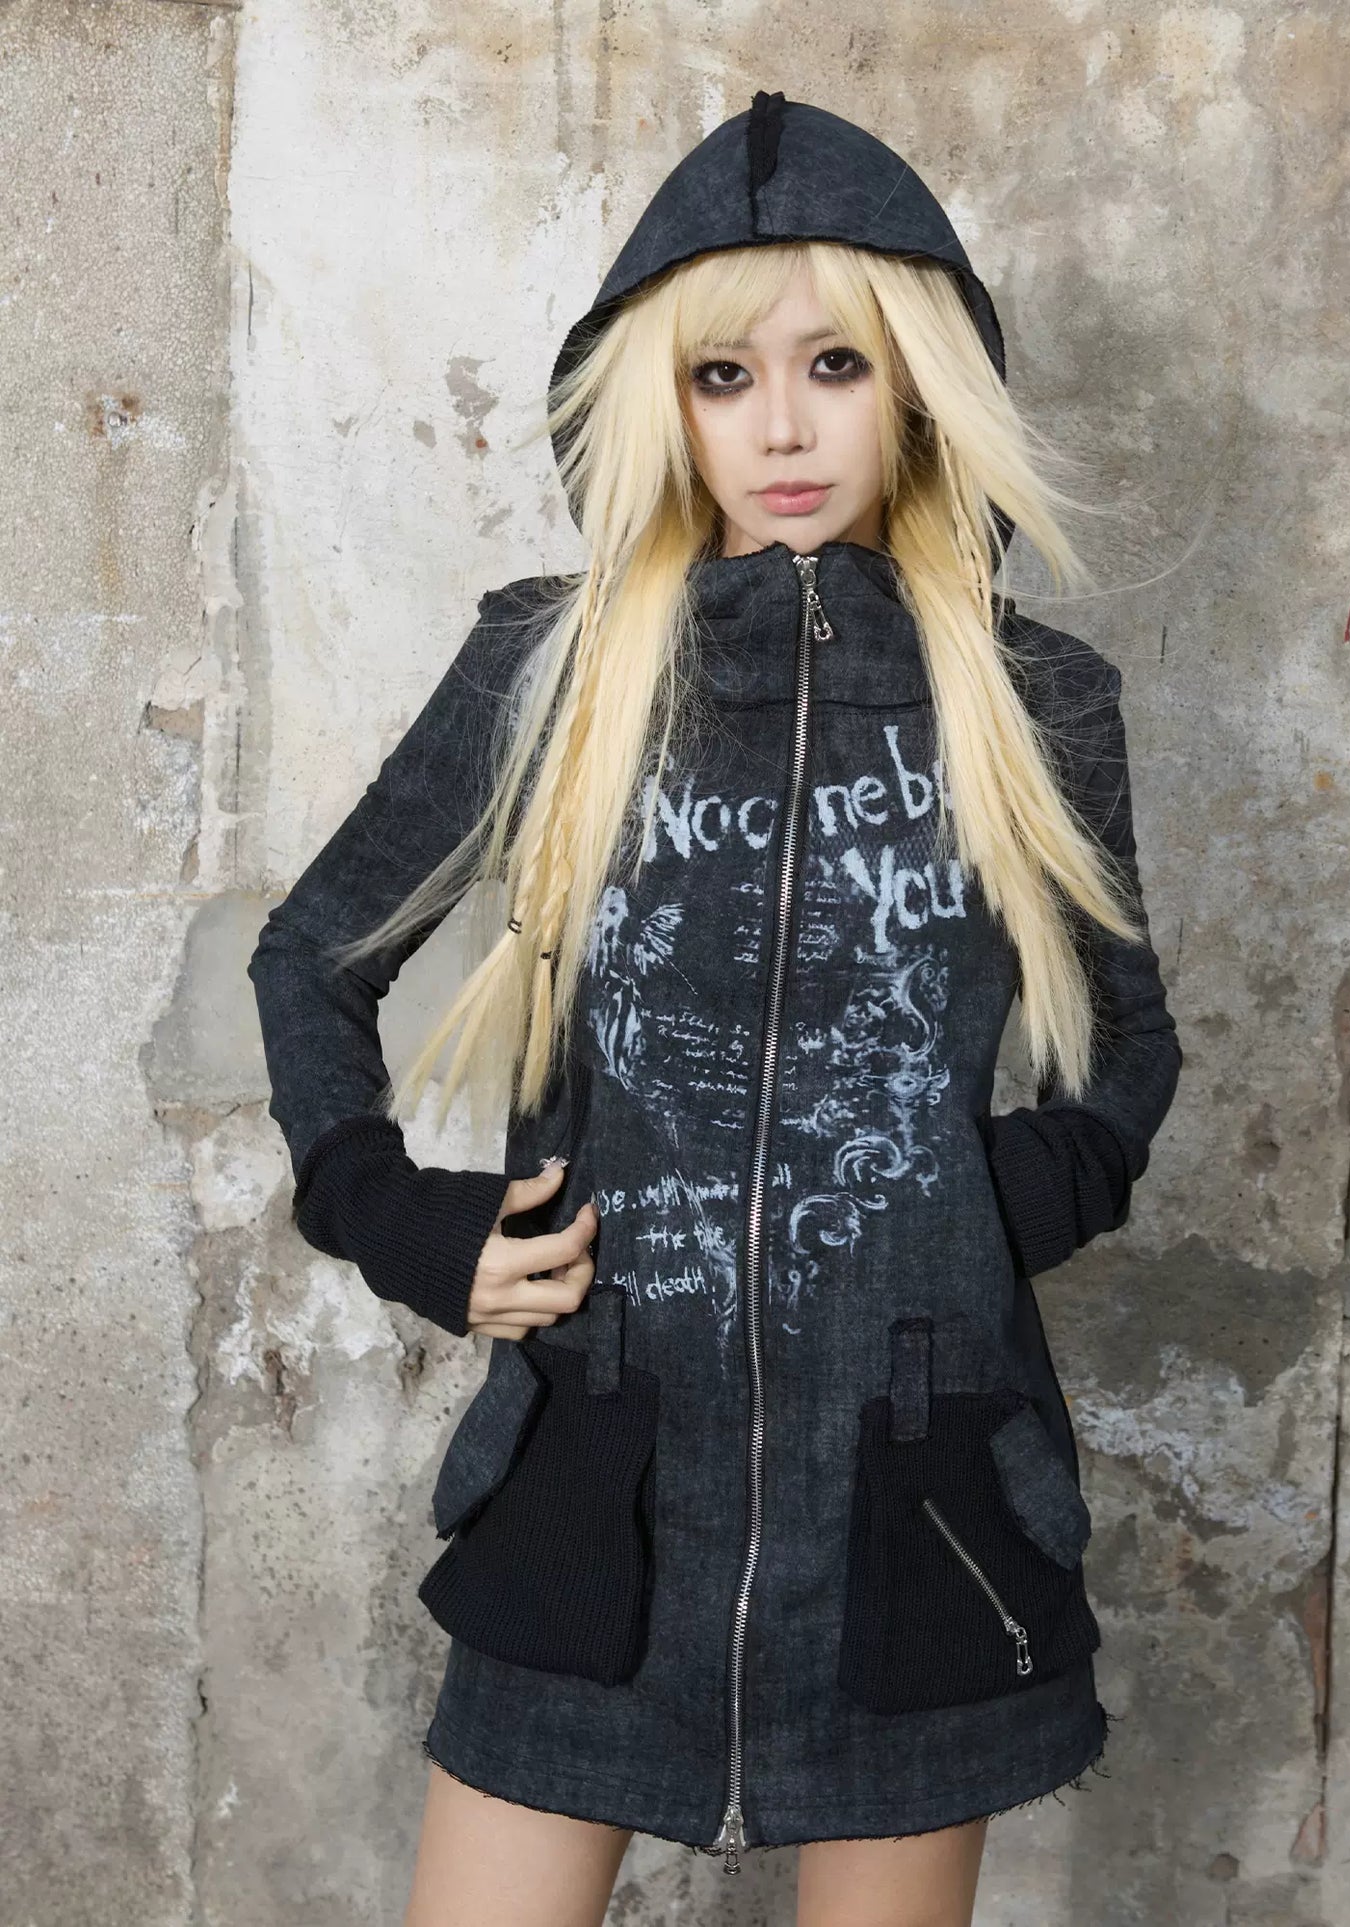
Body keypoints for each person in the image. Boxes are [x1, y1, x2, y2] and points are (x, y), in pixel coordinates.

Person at [248, 90, 1183, 1927]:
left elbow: (1129, 1044)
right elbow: (314, 955)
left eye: (834, 364)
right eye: (719, 377)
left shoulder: (1032, 700)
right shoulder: (550, 666)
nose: (780, 427)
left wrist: (993, 1206)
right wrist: (401, 1219)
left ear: (918, 382)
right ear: (656, 404)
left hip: (918, 1494)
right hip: (592, 1479)